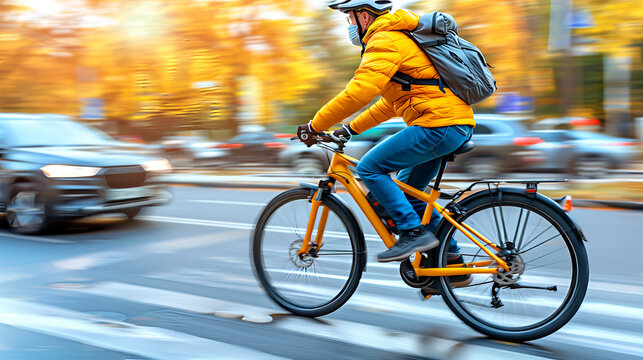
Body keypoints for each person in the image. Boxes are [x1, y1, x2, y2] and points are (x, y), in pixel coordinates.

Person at [297, 0, 475, 289]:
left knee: (370, 168)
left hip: (438, 124)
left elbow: (359, 91)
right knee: (412, 192)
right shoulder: (397, 37)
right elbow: (390, 104)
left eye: (349, 19)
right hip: (450, 123)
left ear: (364, 16)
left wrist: (316, 125)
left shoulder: (385, 39)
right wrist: (349, 129)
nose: (350, 26)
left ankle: (411, 233)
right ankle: (452, 264)